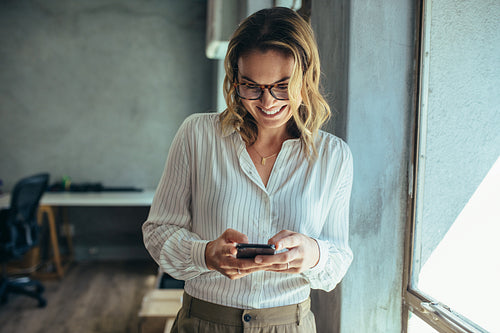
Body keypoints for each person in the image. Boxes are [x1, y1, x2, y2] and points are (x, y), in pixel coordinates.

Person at [142, 7, 353, 333]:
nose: (267, 103)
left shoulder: (333, 156)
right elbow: (158, 233)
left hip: (290, 325)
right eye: (251, 86)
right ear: (235, 79)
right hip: (203, 323)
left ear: (306, 77)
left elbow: (337, 261)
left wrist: (313, 254)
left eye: (283, 86)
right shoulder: (197, 135)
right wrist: (206, 254)